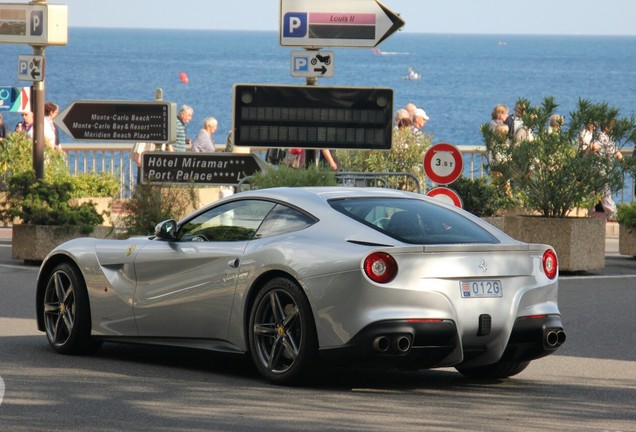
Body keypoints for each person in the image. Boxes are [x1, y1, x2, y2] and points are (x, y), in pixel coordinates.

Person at [590, 119, 623, 220]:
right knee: (605, 194)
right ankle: (614, 215)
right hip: (601, 171)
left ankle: (595, 215)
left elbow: (616, 152)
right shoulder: (602, 137)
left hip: (599, 170)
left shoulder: (606, 138)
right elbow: (595, 146)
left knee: (597, 194)